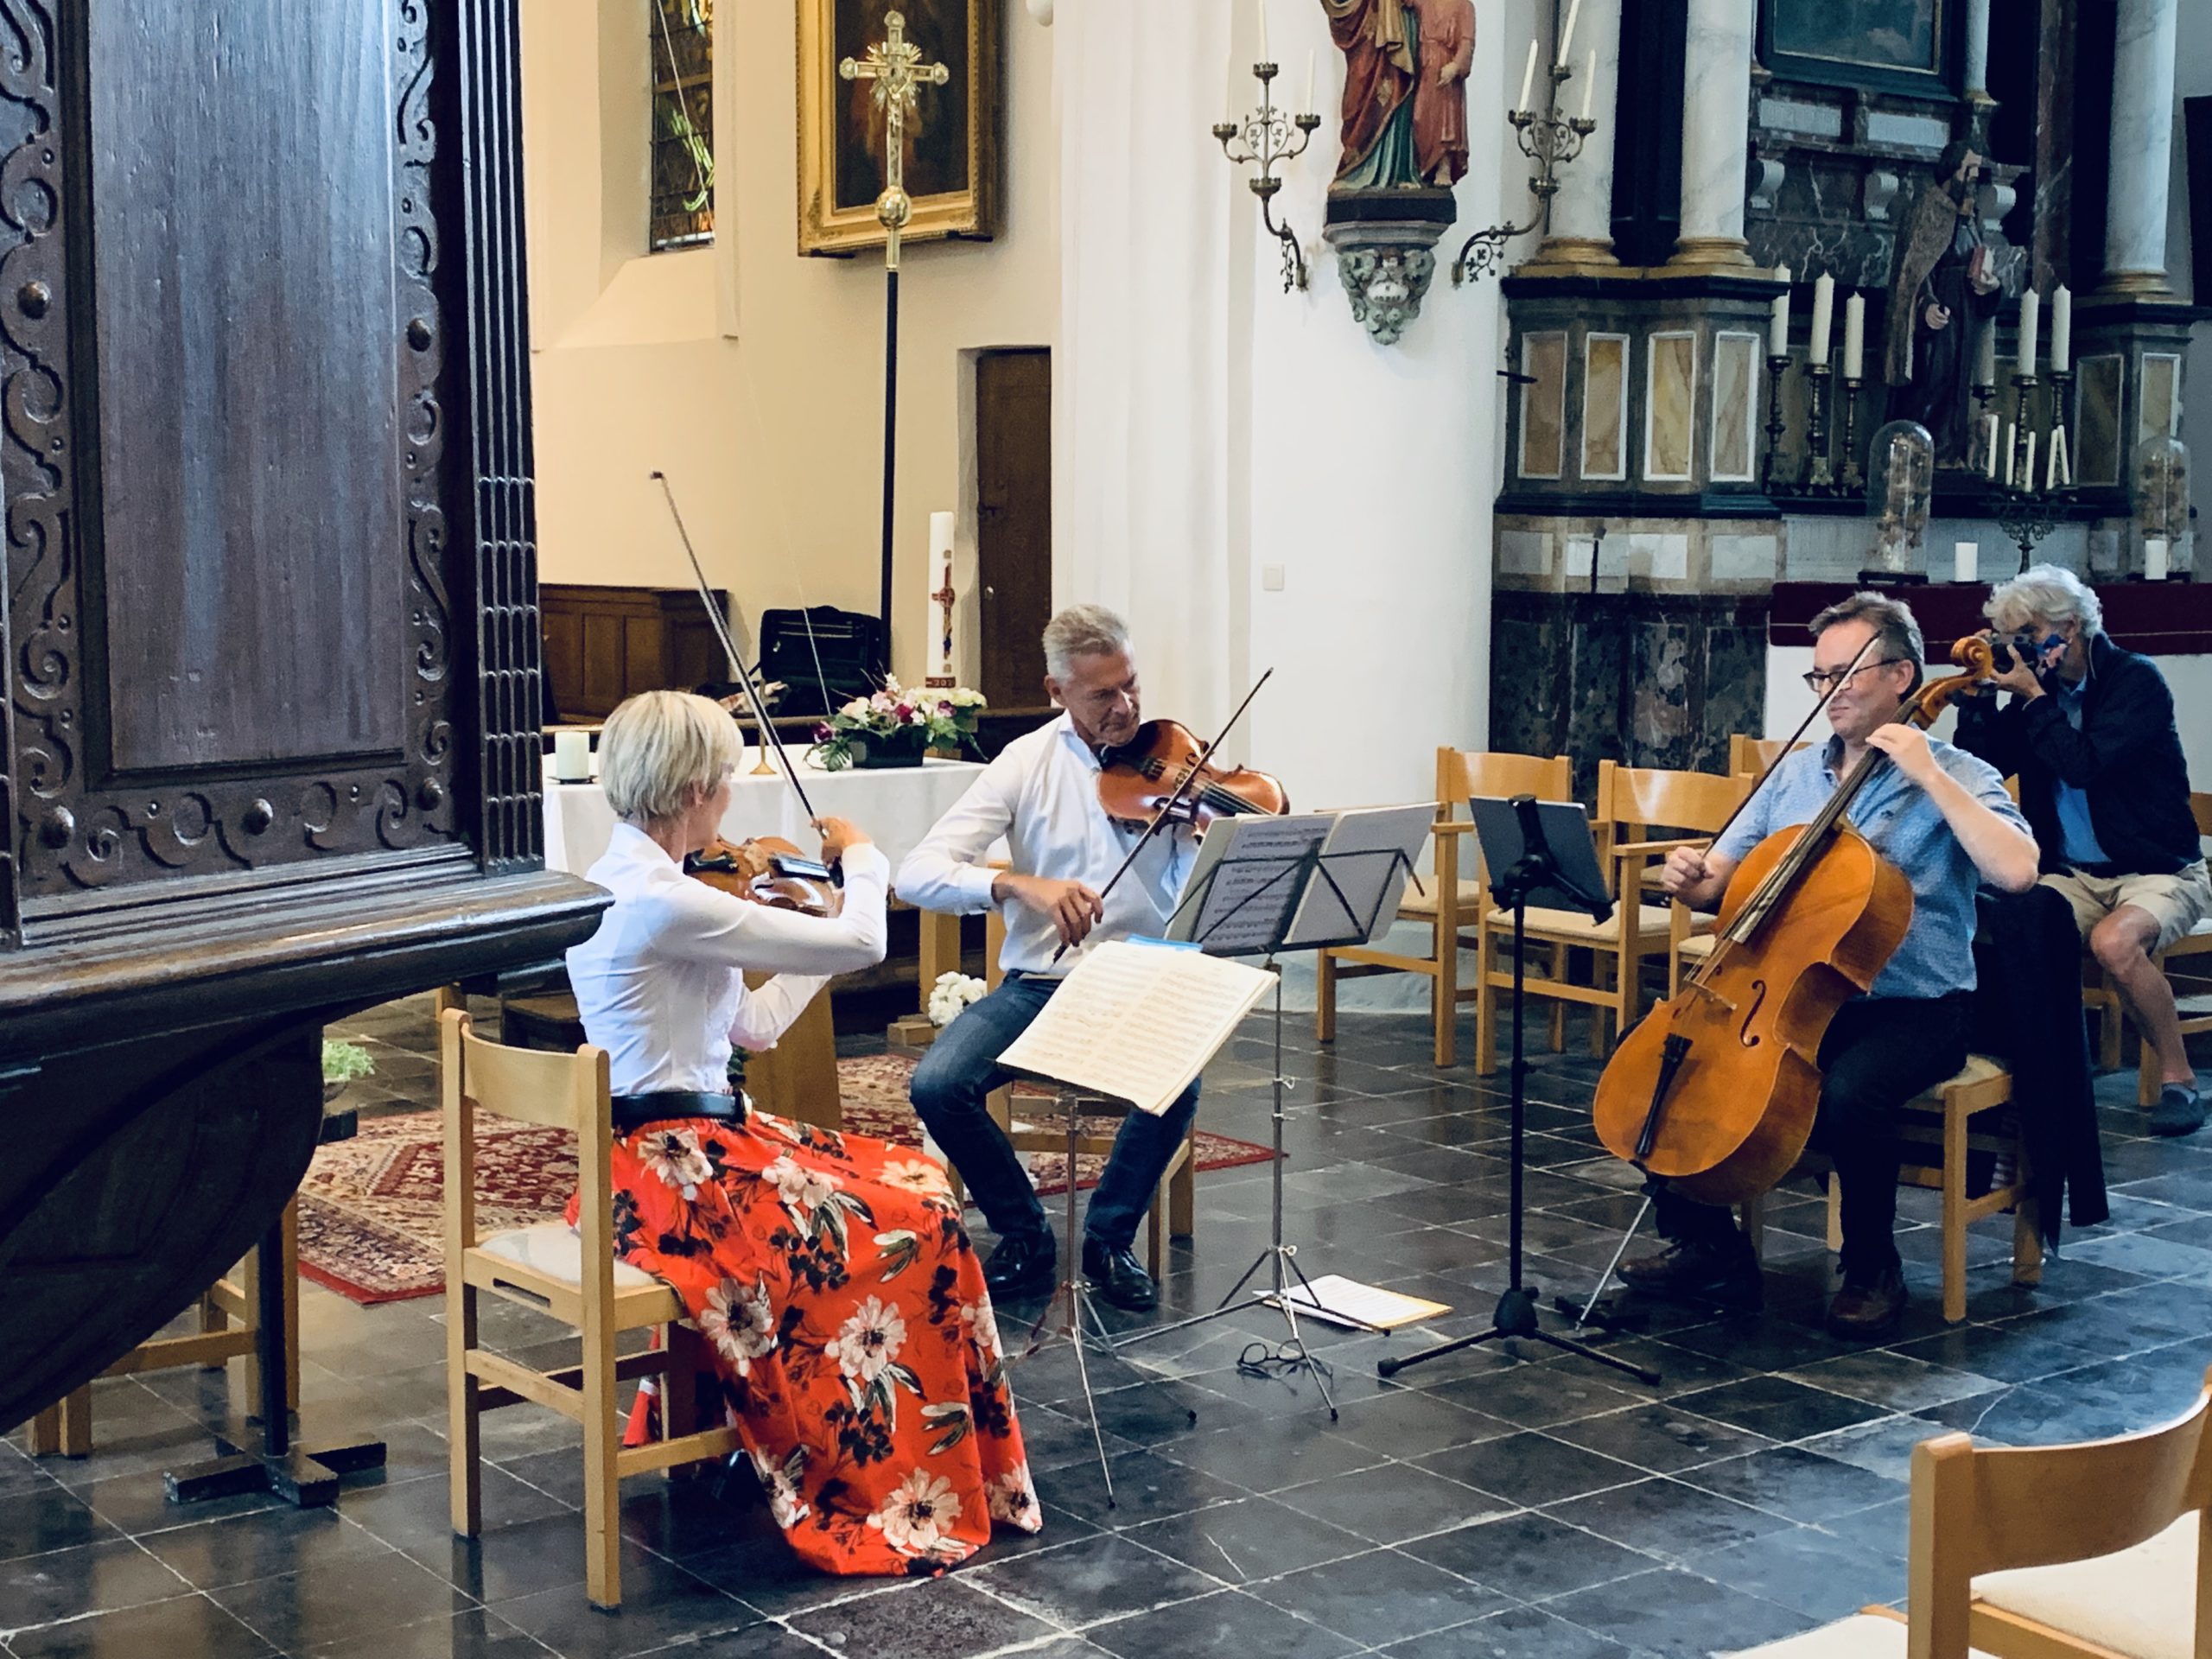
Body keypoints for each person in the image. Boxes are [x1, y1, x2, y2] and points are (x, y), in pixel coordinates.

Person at [564, 690, 1037, 1576]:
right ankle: (874, 1470)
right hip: (687, 1179)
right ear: (697, 785)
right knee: (921, 1208)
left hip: (659, 1157)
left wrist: (805, 935)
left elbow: (752, 1028)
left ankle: (794, 1431)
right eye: (728, 778)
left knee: (902, 1178)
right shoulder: (666, 902)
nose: (733, 796)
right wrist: (861, 860)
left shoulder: (619, 880)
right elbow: (867, 942)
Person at [1625, 594, 2040, 1338]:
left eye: (1846, 673)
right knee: (1663, 1059)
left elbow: (2017, 872)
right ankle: (1708, 1245)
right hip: (1792, 994)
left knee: (1853, 1093)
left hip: (1918, 1006)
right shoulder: (1795, 778)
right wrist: (1692, 873)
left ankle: (1873, 1266)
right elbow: (1724, 873)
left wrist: (1930, 777)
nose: (1831, 691)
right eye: (1819, 678)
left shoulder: (1959, 770)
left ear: (1904, 676)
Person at [898, 605, 1200, 1313]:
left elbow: (1197, 895)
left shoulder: (1177, 765)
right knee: (939, 1083)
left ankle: (1108, 1239)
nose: (1125, 709)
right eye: (1102, 696)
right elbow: (917, 872)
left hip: (1140, 978)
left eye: (1130, 687)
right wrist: (1014, 885)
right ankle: (1025, 1234)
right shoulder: (1024, 764)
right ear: (1056, 691)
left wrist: (1198, 839)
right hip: (1040, 983)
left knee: (1175, 1078)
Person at [1954, 565, 2212, 1136]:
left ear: (2068, 628)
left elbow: (2083, 764)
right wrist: (1976, 702)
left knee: (2113, 942)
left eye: (2027, 633)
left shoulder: (2134, 682)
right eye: (2009, 635)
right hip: (2074, 871)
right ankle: (2030, 1073)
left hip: (2160, 869)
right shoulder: (2039, 694)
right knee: (2001, 920)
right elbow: (1985, 768)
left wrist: (2032, 697)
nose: (2017, 648)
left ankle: (2179, 1079)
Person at [1884, 141, 2003, 464]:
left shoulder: (1971, 218)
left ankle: (1945, 457)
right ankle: (1913, 457)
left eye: (1978, 169)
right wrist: (1926, 306)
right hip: (1938, 322)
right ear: (1953, 170)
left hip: (1963, 318)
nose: (1975, 176)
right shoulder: (1927, 209)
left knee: (1955, 391)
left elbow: (1979, 265)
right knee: (1929, 386)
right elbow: (1913, 271)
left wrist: (1989, 285)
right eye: (1970, 168)